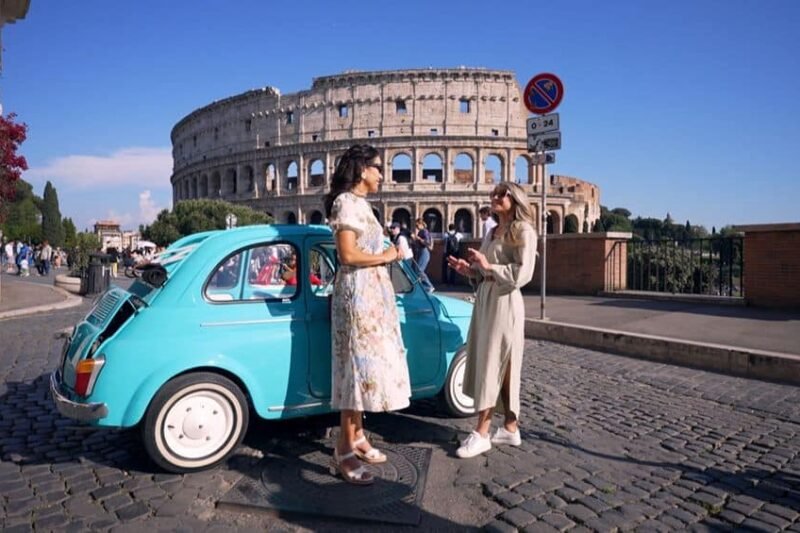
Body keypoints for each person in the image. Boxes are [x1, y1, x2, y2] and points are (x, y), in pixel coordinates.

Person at [323, 144, 411, 485]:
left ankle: (357, 435)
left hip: (370, 295)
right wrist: (387, 256)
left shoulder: (361, 205)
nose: (381, 174)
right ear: (361, 169)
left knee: (364, 368)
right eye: (377, 167)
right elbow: (347, 254)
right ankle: (343, 450)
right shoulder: (347, 202)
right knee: (355, 371)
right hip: (358, 295)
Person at [447, 182, 538, 458]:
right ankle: (510, 428)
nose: (495, 197)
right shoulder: (493, 230)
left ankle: (482, 432)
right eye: (494, 194)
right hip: (487, 298)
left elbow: (524, 273)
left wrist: (488, 267)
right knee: (502, 362)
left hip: (505, 301)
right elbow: (484, 270)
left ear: (515, 199)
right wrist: (470, 270)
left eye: (502, 194)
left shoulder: (523, 230)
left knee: (492, 361)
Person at [410, 218, 435, 293]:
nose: (416, 227)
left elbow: (427, 242)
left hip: (424, 252)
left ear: (421, 224)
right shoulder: (421, 232)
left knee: (419, 270)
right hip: (420, 252)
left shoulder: (424, 231)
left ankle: (429, 286)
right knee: (416, 270)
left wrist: (418, 238)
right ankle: (421, 286)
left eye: (417, 225)